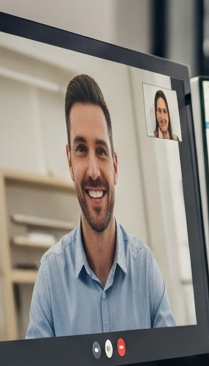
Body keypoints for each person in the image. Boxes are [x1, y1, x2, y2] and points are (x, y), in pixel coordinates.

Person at [26, 74, 176, 338]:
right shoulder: (50, 276)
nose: (94, 170)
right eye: (81, 149)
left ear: (115, 166)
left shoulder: (145, 267)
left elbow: (174, 361)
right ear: (70, 162)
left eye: (101, 151)